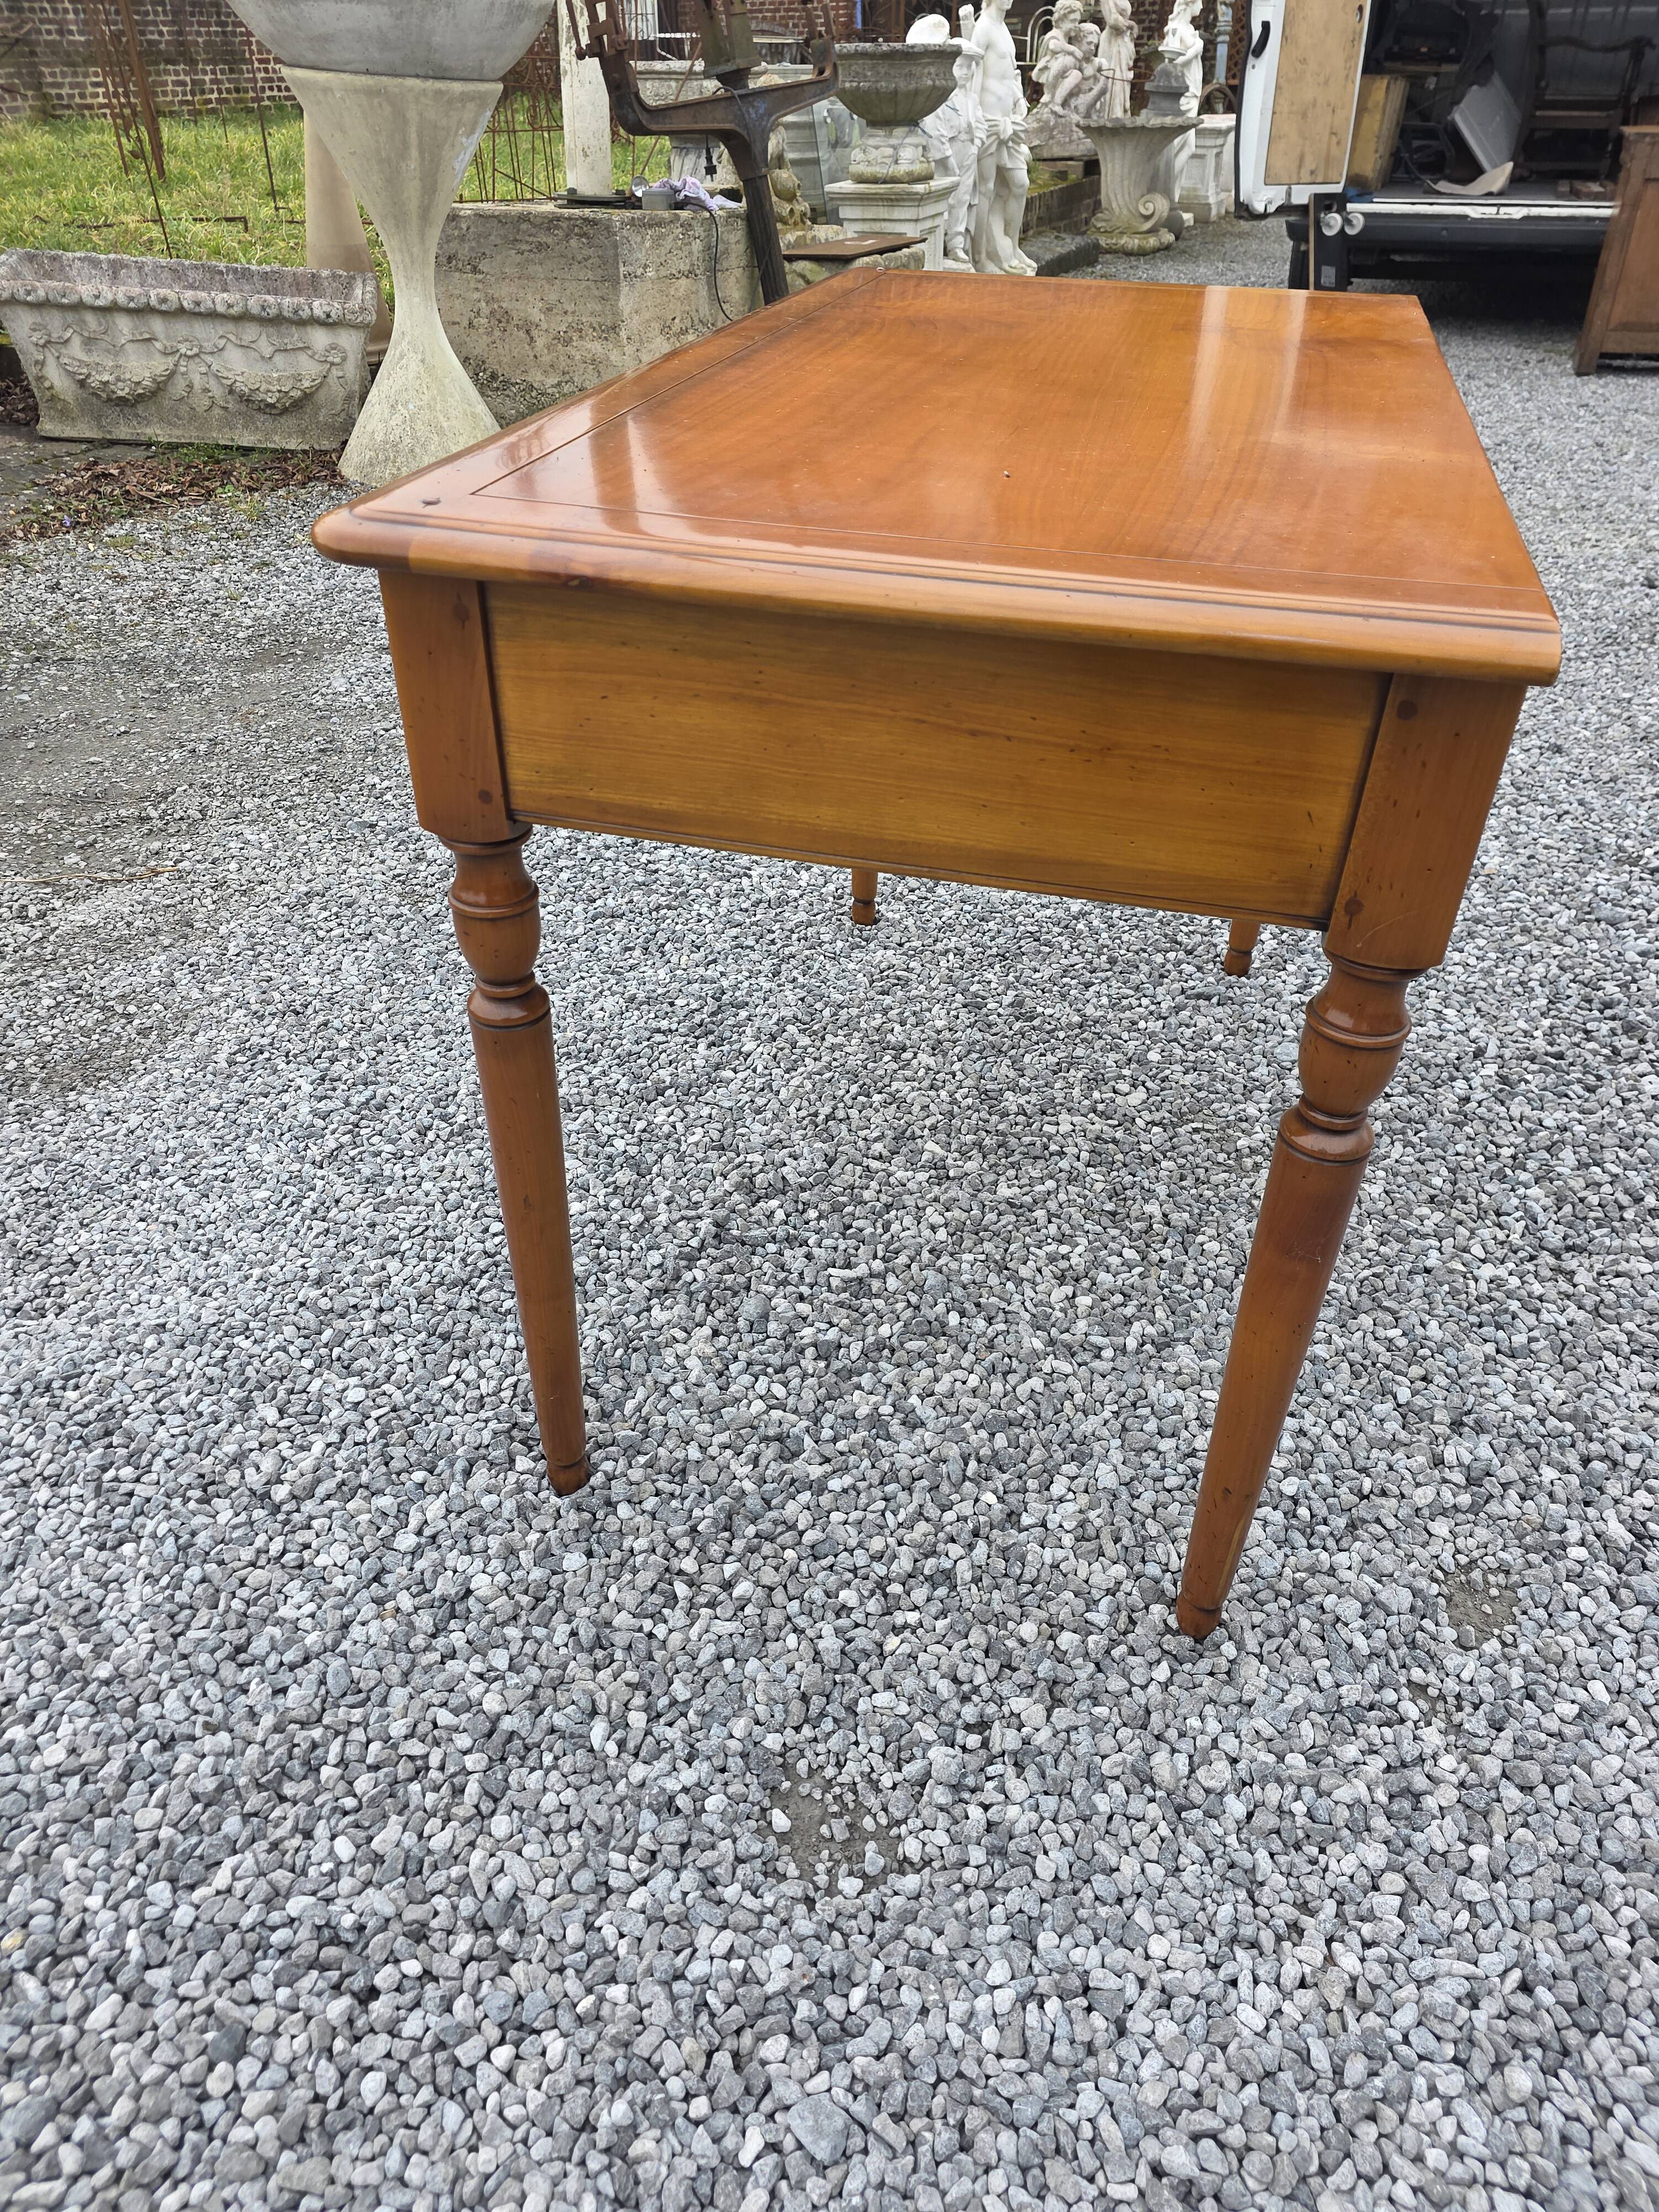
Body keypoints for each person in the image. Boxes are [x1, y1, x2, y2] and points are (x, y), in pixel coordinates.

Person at [962, 0, 1035, 274]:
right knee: (986, 190)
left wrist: (1019, 98)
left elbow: (1011, 74)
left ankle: (1013, 247)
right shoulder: (982, 28)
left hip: (1010, 123)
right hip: (989, 122)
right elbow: (969, 73)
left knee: (1020, 183)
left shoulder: (1003, 28)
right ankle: (980, 257)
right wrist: (974, 116)